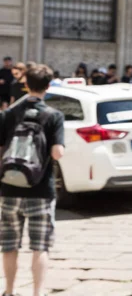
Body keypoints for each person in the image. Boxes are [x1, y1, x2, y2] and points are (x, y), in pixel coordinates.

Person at [0, 64, 65, 296]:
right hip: (40, 190)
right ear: (48, 86)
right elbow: (57, 153)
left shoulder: (8, 114)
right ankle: (37, 292)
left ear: (26, 84)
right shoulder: (54, 116)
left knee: (9, 246)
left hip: (8, 188)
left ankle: (8, 291)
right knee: (40, 246)